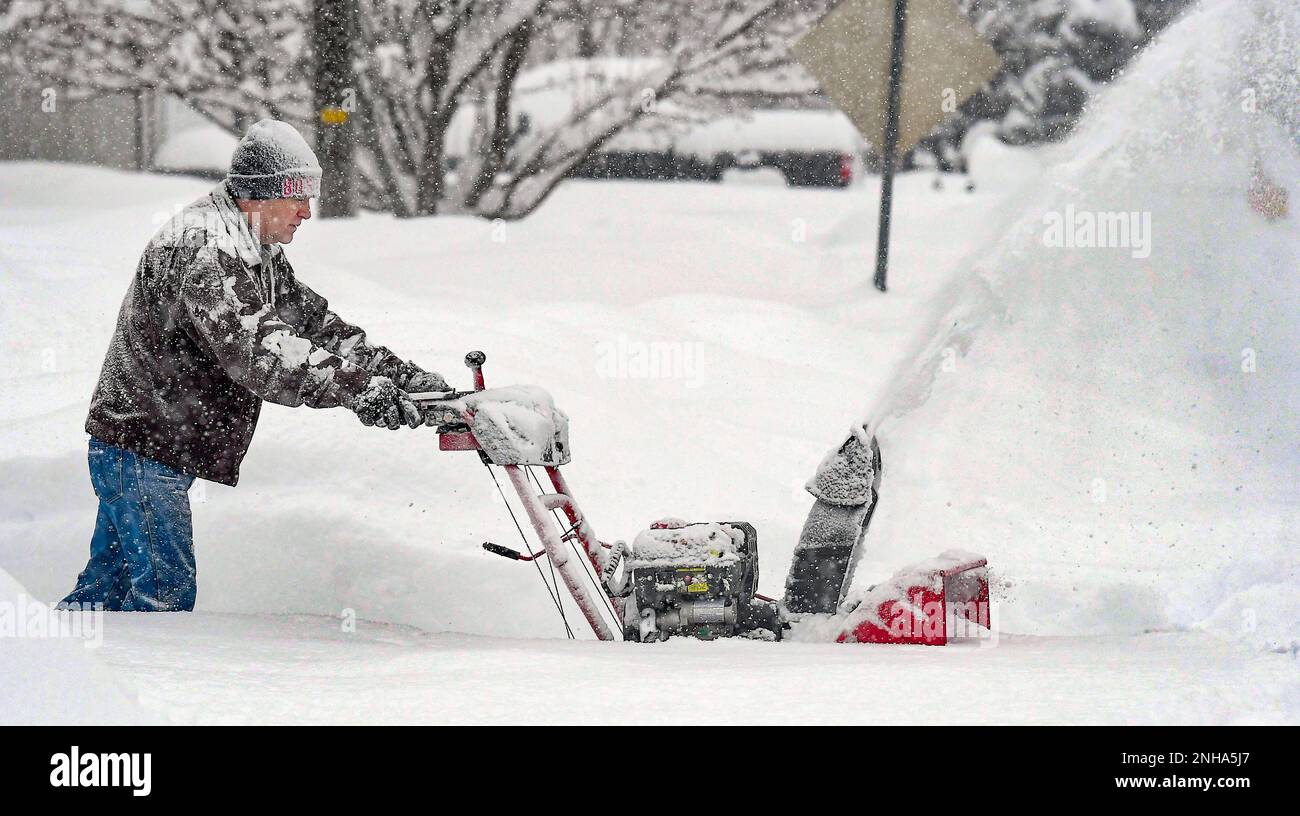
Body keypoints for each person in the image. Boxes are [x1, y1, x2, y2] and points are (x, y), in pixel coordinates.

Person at [59, 119, 451, 612]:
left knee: (102, 600)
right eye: (299, 199)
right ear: (261, 196)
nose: (307, 213)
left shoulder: (251, 247)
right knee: (163, 600)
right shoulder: (202, 247)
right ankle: (140, 684)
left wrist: (402, 378)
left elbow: (314, 326)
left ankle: (60, 672)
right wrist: (358, 391)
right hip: (140, 448)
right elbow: (263, 354)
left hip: (148, 447)